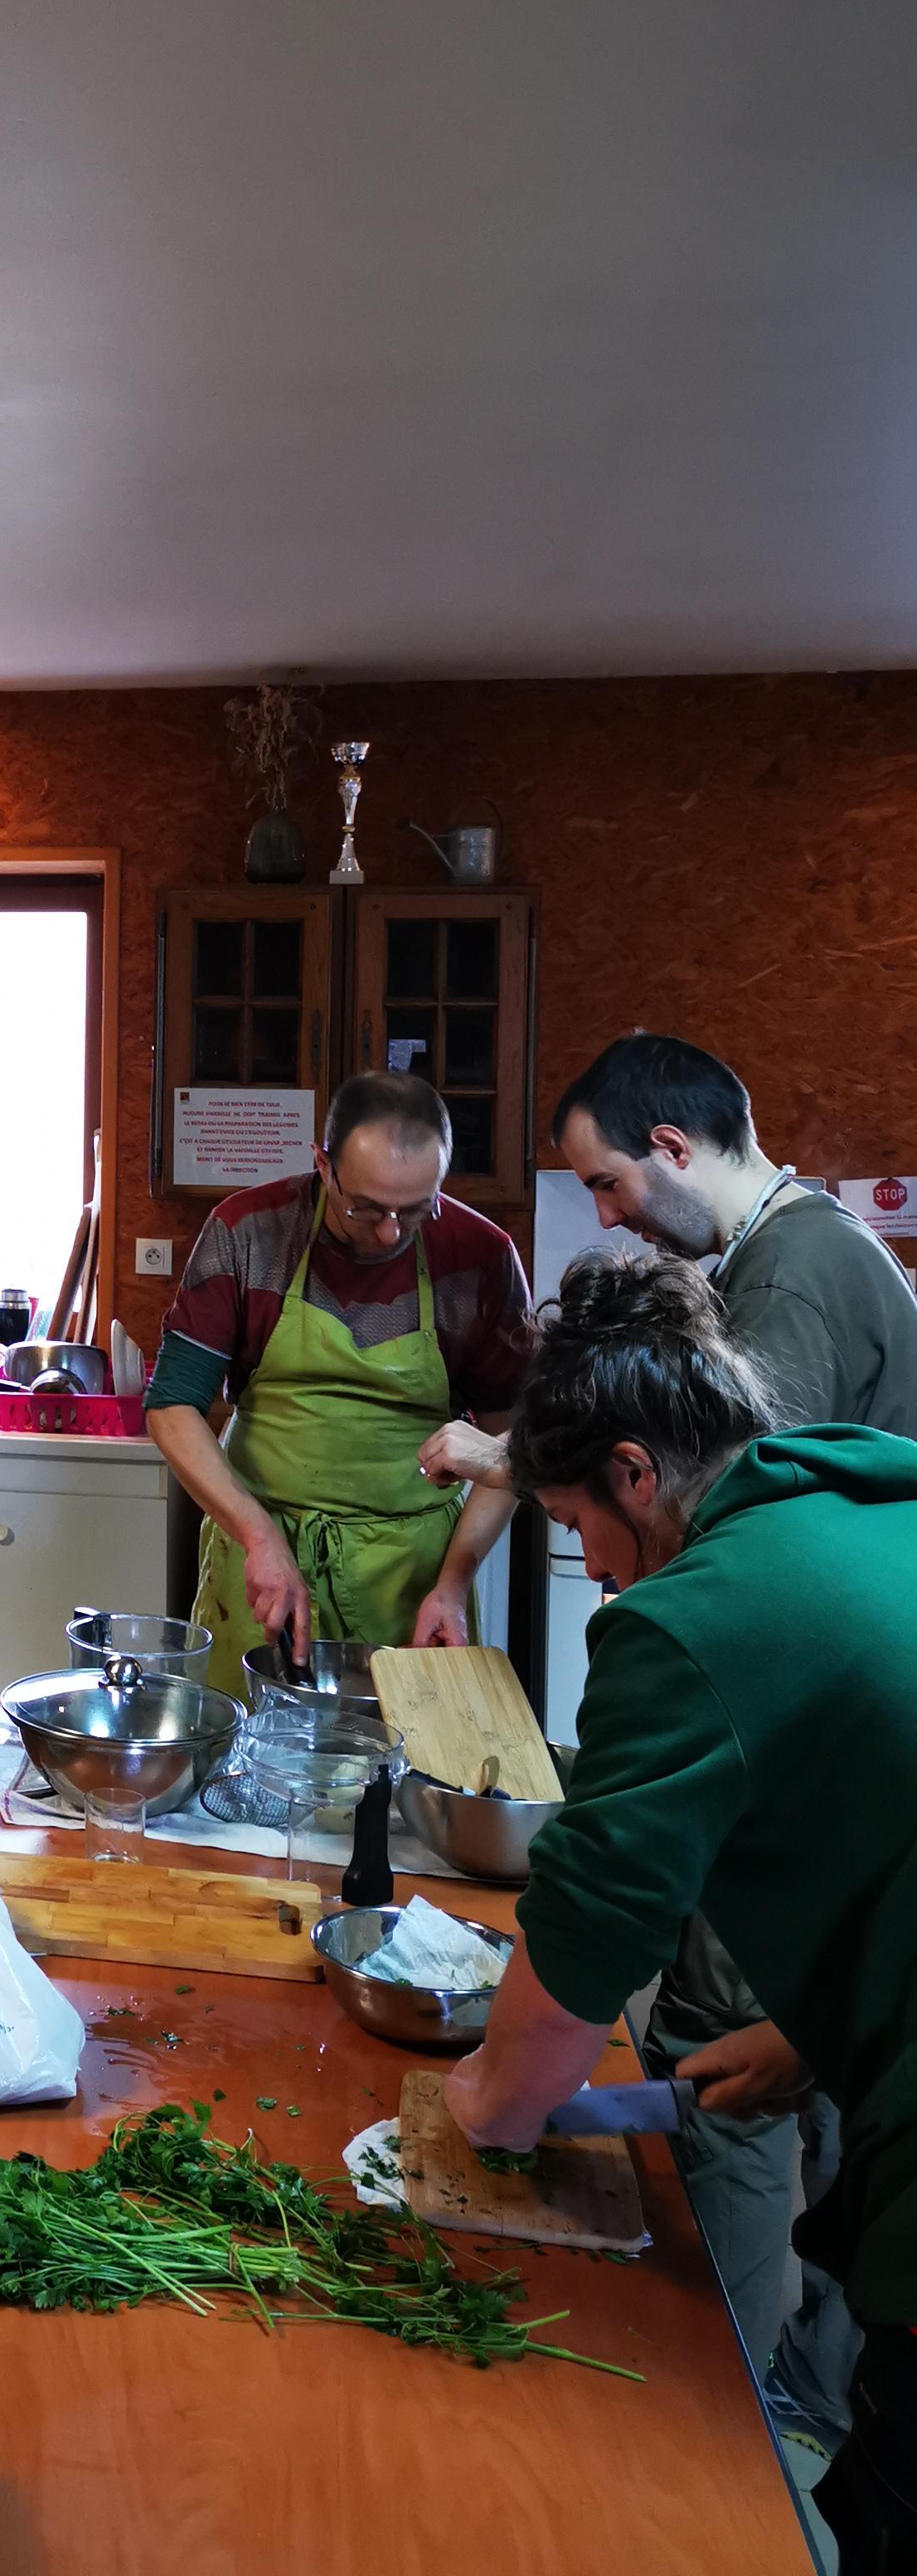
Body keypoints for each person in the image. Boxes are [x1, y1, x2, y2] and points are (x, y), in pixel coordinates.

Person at [424, 1030, 917, 2443]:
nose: (594, 1568)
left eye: (577, 1525)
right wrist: (808, 2038)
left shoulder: (695, 1616)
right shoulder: (847, 1498)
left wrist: (492, 2101)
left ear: (636, 1471)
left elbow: (593, 1918)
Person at [143, 1071, 532, 1665]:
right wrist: (256, 1535)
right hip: (263, 1556)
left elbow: (513, 1445)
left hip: (414, 1578)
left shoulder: (482, 1257)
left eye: (417, 1210)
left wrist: (454, 1582)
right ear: (323, 1166)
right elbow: (172, 1406)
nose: (390, 1233)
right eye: (366, 1209)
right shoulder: (248, 1231)